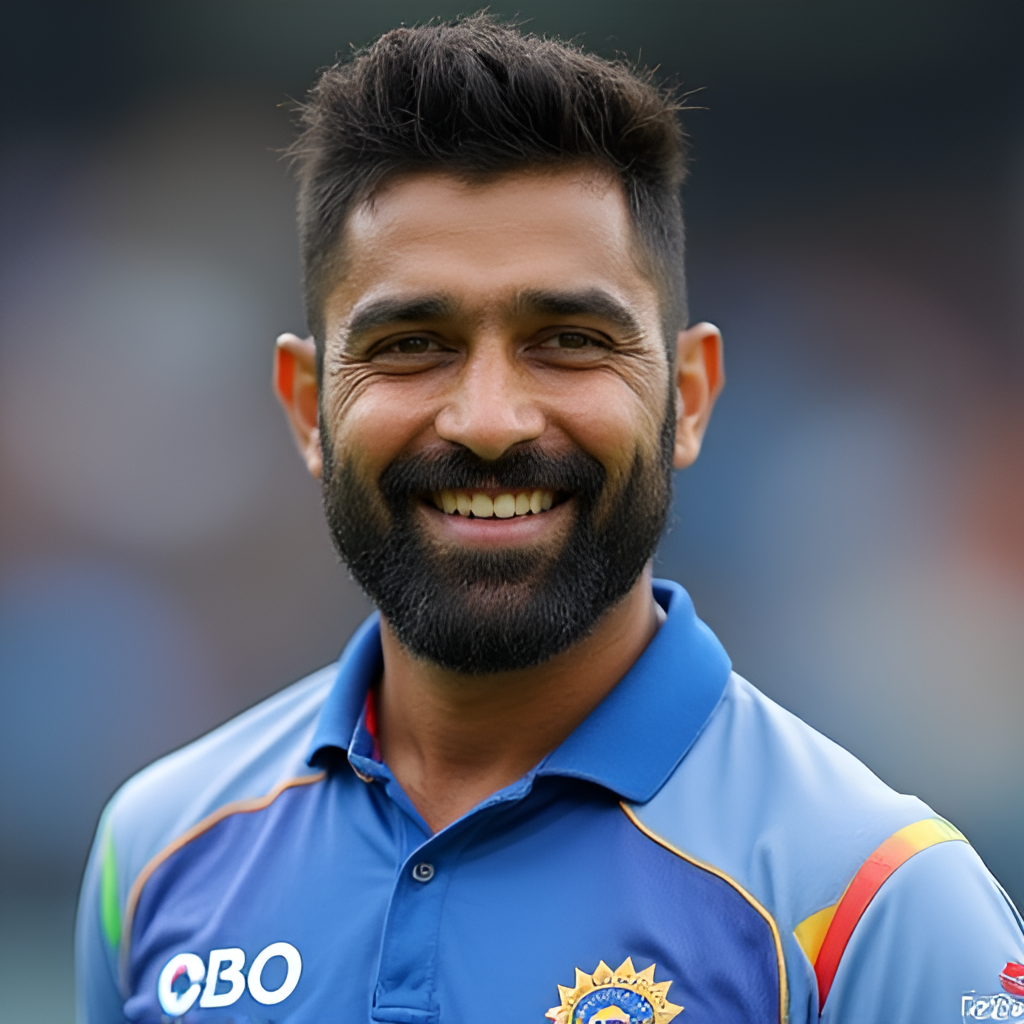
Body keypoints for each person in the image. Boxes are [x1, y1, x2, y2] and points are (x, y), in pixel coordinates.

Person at [76, 15, 1024, 1024]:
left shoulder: (875, 901)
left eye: (568, 340)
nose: (488, 421)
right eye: (411, 344)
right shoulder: (153, 849)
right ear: (308, 405)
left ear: (689, 397)